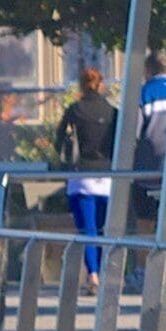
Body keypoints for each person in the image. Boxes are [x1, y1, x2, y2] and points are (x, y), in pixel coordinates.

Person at [52, 64, 119, 274]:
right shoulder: (113, 112)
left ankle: (93, 274)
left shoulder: (75, 110)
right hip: (108, 176)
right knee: (104, 228)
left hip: (81, 175)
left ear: (81, 86)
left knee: (87, 229)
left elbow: (59, 140)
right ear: (101, 86)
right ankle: (106, 269)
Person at [127, 59, 166, 242]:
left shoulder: (143, 94)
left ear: (147, 70)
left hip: (147, 171)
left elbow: (133, 133)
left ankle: (142, 268)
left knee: (144, 222)